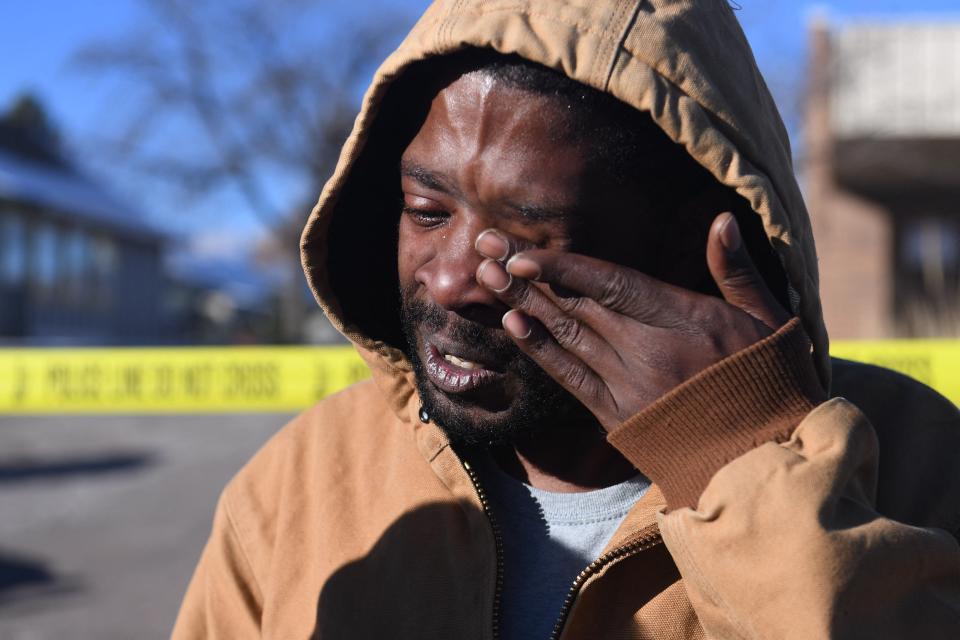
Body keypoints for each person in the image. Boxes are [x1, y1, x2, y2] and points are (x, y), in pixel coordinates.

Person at [173, 1, 960, 638]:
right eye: (425, 210)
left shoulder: (918, 465)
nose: (450, 281)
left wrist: (754, 473)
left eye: (519, 238)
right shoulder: (299, 487)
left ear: (699, 248)